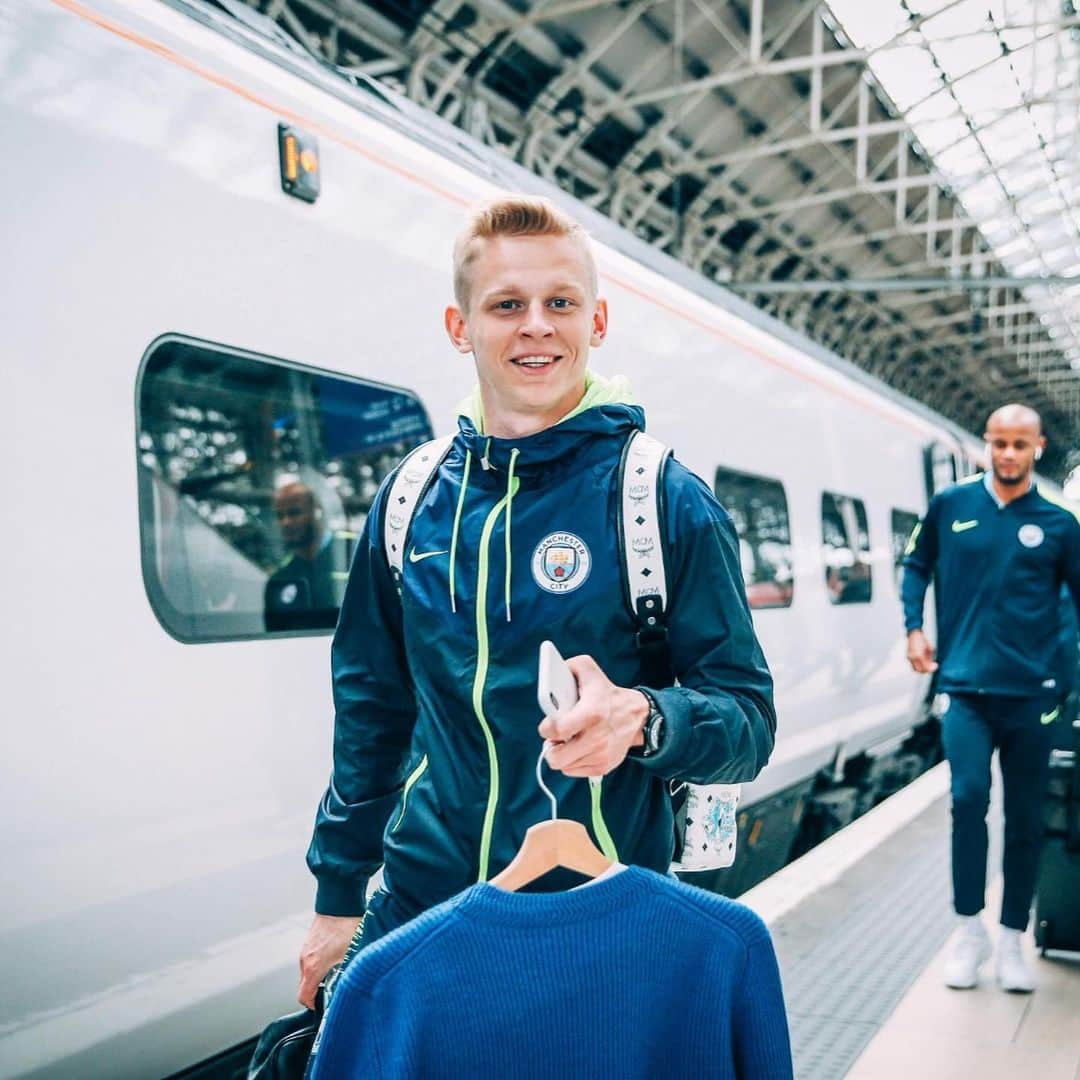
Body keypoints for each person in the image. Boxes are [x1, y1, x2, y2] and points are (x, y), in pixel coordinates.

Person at [297, 195, 777, 1009]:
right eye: (506, 305)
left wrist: (647, 720)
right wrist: (339, 896)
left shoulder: (660, 499)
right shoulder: (412, 499)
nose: (536, 327)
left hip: (595, 909)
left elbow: (747, 721)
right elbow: (371, 708)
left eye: (560, 303)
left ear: (597, 321)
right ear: (460, 327)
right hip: (424, 906)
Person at [902, 403, 1080, 992]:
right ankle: (968, 931)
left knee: (1026, 818)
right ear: (986, 444)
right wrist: (914, 627)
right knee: (968, 798)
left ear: (1038, 447)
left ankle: (1011, 939)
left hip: (1033, 697)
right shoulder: (951, 506)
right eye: (999, 443)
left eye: (1019, 444)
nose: (1008, 454)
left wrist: (1064, 674)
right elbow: (915, 567)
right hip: (966, 690)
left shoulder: (1058, 524)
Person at [264, 481, 343, 631]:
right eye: (280, 516)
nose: (286, 522)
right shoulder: (279, 579)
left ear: (317, 511)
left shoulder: (348, 557)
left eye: (294, 512)